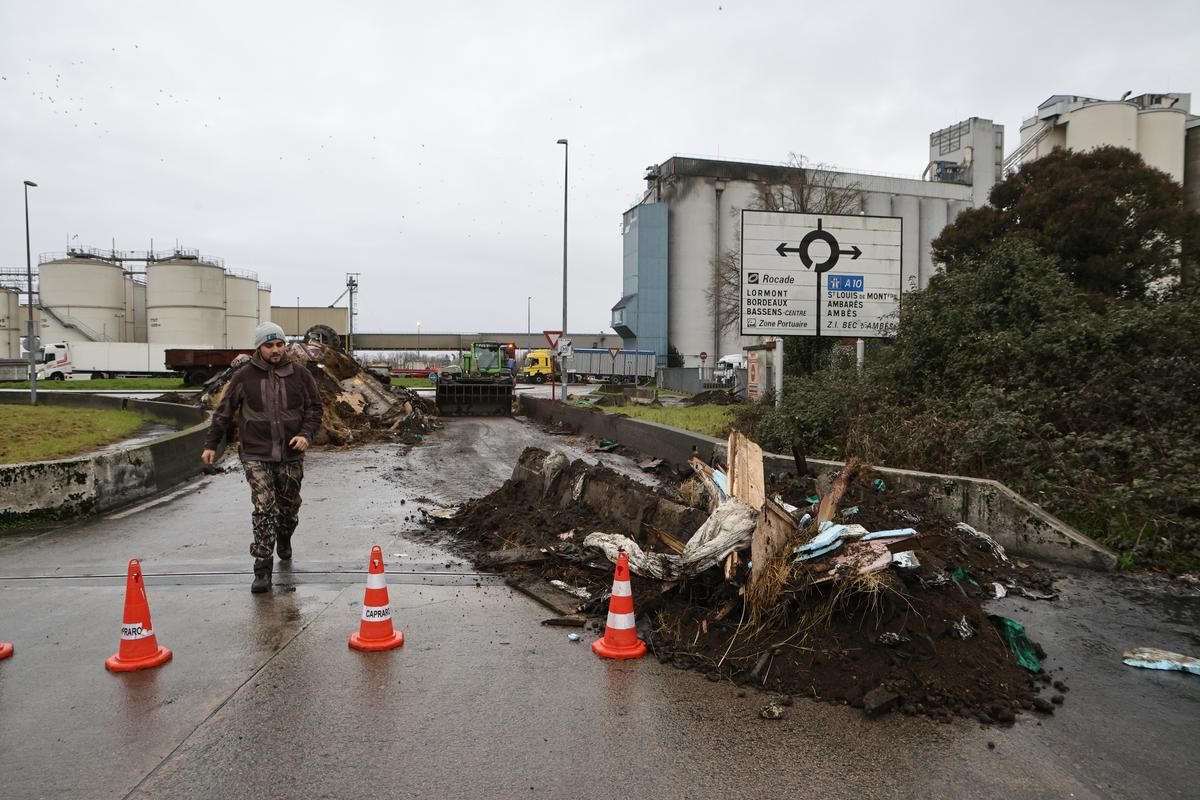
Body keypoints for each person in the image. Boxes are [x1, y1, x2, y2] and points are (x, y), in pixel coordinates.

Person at [202, 322, 323, 593]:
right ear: (259, 348)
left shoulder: (300, 375)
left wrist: (306, 434)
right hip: (256, 453)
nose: (276, 350)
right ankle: (262, 566)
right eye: (269, 346)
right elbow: (224, 412)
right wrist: (211, 445)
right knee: (264, 506)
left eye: (280, 344)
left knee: (288, 508)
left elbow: (315, 408)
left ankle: (285, 534)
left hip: (291, 454)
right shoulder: (244, 377)